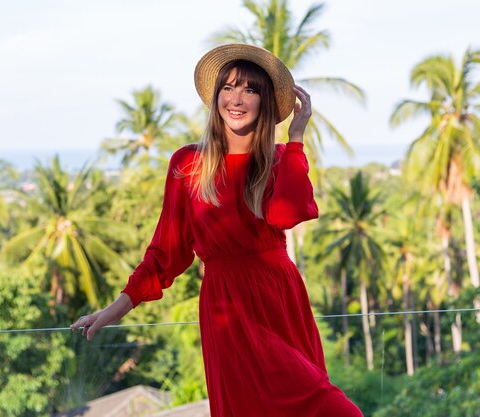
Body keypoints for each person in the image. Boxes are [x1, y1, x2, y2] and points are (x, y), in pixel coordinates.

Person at [71, 44, 363, 417]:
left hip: (280, 298)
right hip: (228, 307)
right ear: (215, 98)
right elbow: (166, 254)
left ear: (266, 102)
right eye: (228, 87)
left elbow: (287, 214)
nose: (236, 99)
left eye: (250, 89)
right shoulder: (189, 163)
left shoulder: (278, 159)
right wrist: (116, 308)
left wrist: (296, 139)